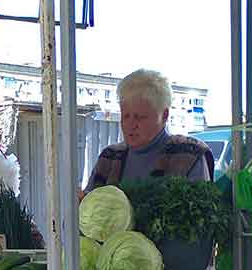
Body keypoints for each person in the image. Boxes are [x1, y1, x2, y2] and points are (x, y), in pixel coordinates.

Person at [83, 69, 214, 194]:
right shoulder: (109, 157)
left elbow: (200, 212)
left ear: (164, 115)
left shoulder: (189, 154)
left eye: (140, 117)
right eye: (126, 116)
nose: (130, 125)